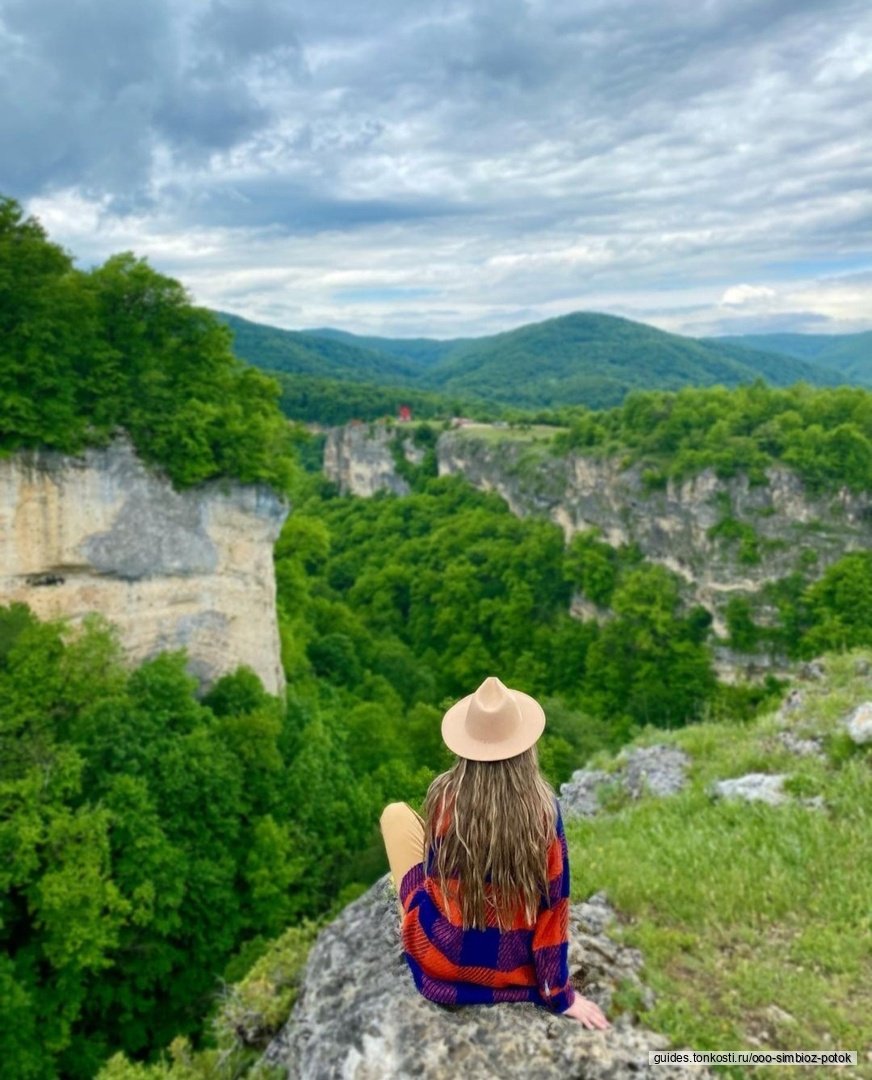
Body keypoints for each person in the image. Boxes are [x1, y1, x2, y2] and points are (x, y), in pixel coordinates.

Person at [379, 675, 611, 1030]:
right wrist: (560, 995)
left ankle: (415, 925)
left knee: (395, 815)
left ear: (465, 746)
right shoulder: (544, 813)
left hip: (439, 962)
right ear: (526, 747)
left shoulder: (444, 800)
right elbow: (554, 911)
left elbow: (434, 887)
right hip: (512, 973)